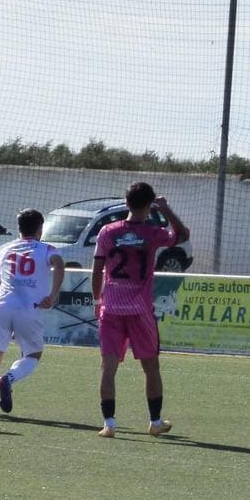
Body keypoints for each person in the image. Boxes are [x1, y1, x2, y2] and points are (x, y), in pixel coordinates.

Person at [93, 182, 190, 438]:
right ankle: (155, 421)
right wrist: (166, 209)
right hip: (140, 310)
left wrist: (96, 300)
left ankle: (109, 424)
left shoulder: (108, 231)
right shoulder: (152, 232)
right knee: (151, 366)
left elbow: (97, 268)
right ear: (149, 206)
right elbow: (182, 234)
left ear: (126, 202)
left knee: (108, 366)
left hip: (111, 307)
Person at [0, 209, 66, 419]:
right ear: (41, 229)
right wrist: (53, 294)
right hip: (29, 309)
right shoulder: (46, 249)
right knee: (32, 355)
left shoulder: (5, 250)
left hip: (2, 306)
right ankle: (9, 379)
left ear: (19, 228)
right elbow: (59, 264)